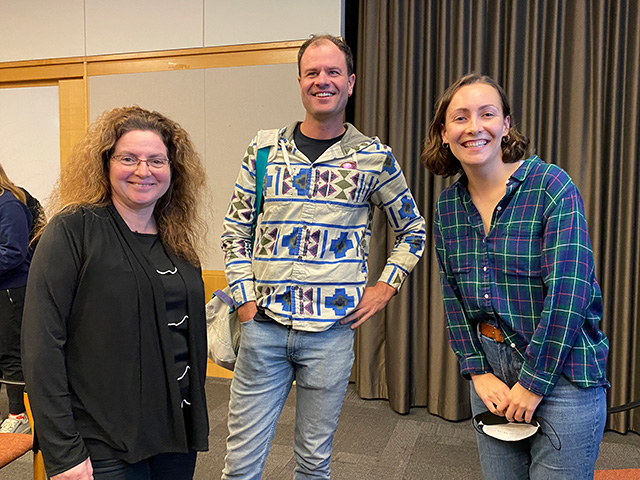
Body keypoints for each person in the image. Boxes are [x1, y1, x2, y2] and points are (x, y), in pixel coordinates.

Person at [220, 34, 426, 479]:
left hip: (330, 335)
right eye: (312, 72)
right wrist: (244, 299)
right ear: (299, 82)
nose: (322, 80)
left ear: (350, 83)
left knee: (314, 463)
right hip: (264, 328)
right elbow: (235, 229)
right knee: (240, 465)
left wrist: (385, 288)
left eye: (333, 72)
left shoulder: (374, 158)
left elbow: (413, 229)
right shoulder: (263, 150)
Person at [421, 73, 609, 479]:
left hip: (562, 374)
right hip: (492, 376)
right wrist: (476, 370)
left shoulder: (552, 187)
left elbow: (568, 293)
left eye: (487, 114)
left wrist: (534, 382)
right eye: (460, 117)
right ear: (444, 131)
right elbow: (452, 297)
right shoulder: (448, 207)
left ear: (506, 124)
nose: (474, 127)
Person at [22, 106, 210, 480]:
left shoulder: (177, 242)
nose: (144, 171)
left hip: (174, 436)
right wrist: (63, 454)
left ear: (173, 170)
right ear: (106, 163)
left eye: (157, 160)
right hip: (101, 444)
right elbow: (41, 346)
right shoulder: (74, 231)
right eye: (129, 158)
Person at [0, 163, 33, 435]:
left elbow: (13, 252)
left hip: (11, 289)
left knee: (10, 352)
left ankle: (18, 414)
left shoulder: (9, 205)